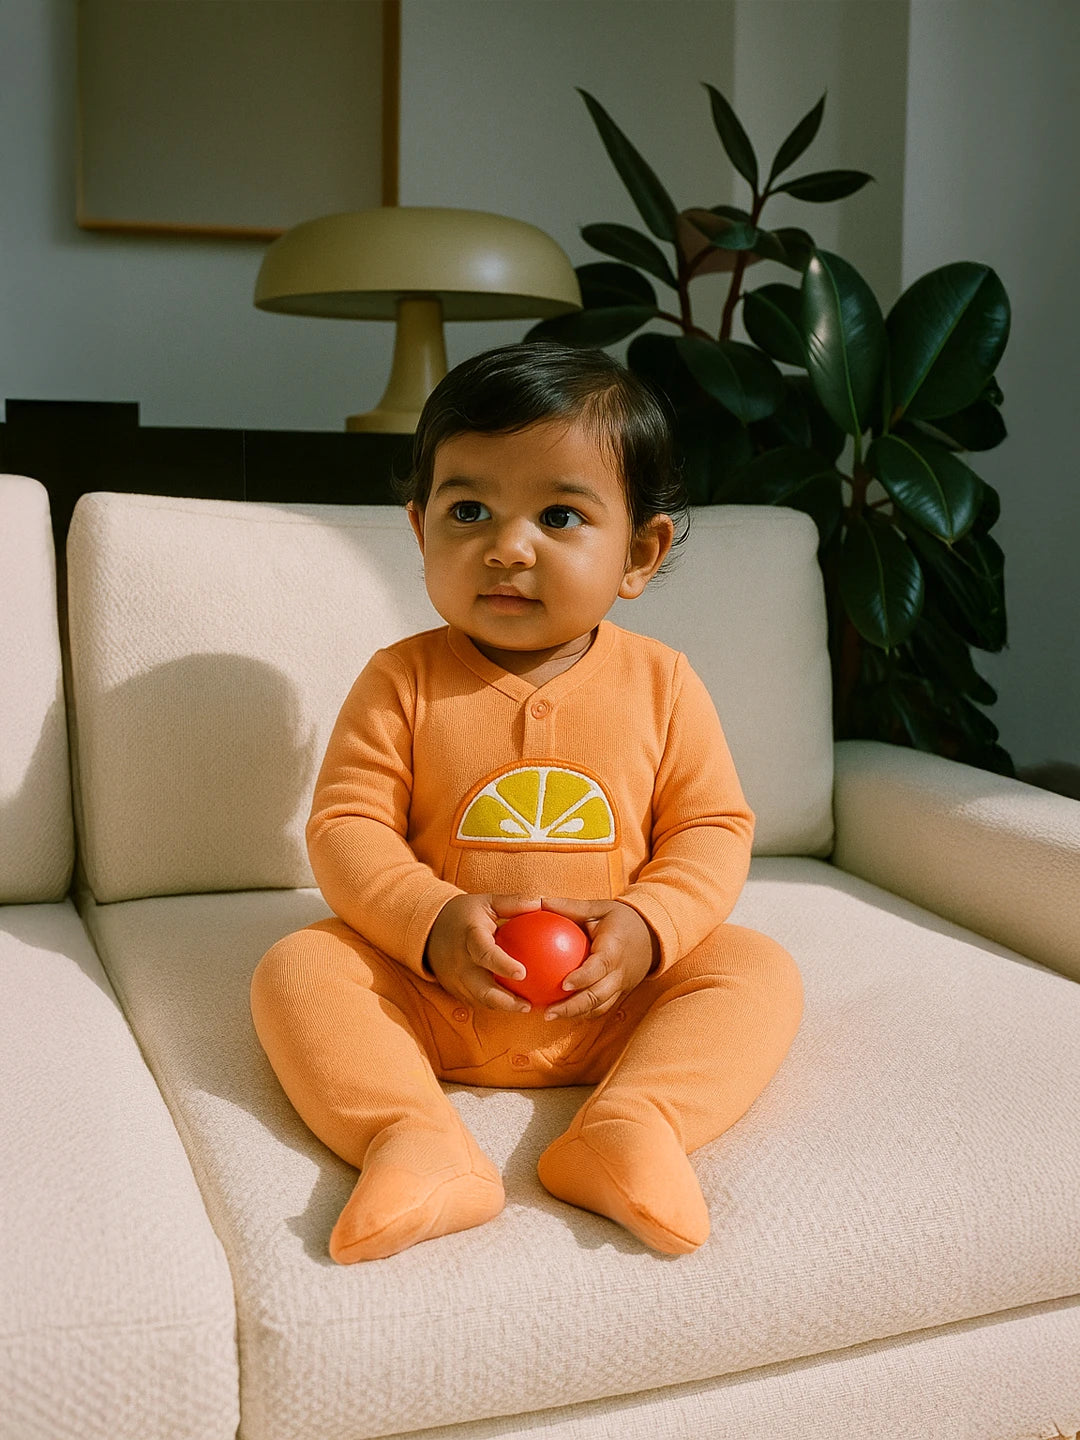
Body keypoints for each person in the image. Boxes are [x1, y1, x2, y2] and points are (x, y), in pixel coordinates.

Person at [250, 342, 803, 1263]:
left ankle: (630, 1123)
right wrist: (427, 920)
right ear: (421, 529)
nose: (508, 547)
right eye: (470, 510)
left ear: (638, 552)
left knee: (757, 971)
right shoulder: (401, 681)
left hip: (611, 1000)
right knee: (298, 970)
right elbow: (348, 826)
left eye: (558, 513)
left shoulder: (663, 684)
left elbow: (710, 829)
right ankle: (414, 1138)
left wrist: (647, 925)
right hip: (435, 992)